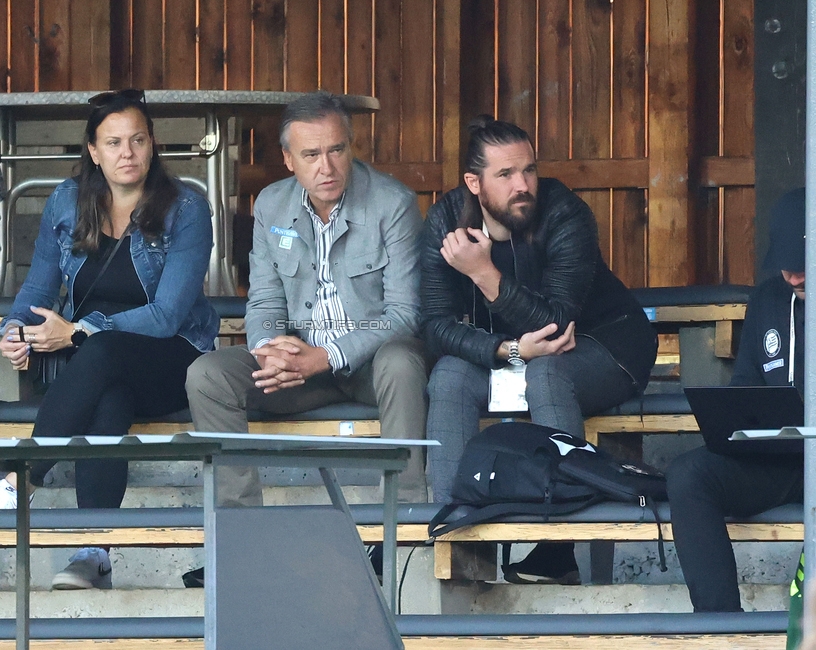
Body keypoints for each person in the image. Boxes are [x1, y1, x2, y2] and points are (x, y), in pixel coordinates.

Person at [0, 88, 219, 591]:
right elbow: (38, 288)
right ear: (92, 150)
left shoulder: (187, 209)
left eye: (137, 140)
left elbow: (167, 315)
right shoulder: (67, 203)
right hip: (95, 365)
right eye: (113, 142)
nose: (126, 153)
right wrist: (16, 331)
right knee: (108, 393)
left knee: (103, 351)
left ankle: (21, 478)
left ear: (153, 145)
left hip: (172, 359)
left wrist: (80, 331)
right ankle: (92, 555)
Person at [182, 92, 428, 584]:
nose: (327, 166)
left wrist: (327, 356)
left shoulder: (392, 204)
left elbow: (405, 314)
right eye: (311, 155)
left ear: (351, 147)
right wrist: (271, 349)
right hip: (299, 365)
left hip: (371, 364)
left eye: (337, 150)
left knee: (403, 362)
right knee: (207, 374)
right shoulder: (271, 204)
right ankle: (242, 543)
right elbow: (266, 302)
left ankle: (404, 538)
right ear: (288, 159)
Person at [419, 117, 658, 584]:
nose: (523, 185)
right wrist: (507, 350)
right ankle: (455, 534)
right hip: (510, 352)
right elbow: (434, 326)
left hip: (603, 343)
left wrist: (483, 273)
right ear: (474, 182)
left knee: (547, 373)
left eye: (529, 170)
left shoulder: (564, 212)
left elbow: (555, 323)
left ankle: (556, 548)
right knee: (447, 373)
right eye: (506, 175)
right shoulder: (446, 220)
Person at [667, 188, 806, 613]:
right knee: (689, 475)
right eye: (784, 266)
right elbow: (747, 382)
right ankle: (719, 624)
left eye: (801, 266)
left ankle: (810, 624)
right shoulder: (768, 300)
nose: (792, 277)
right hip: (779, 458)